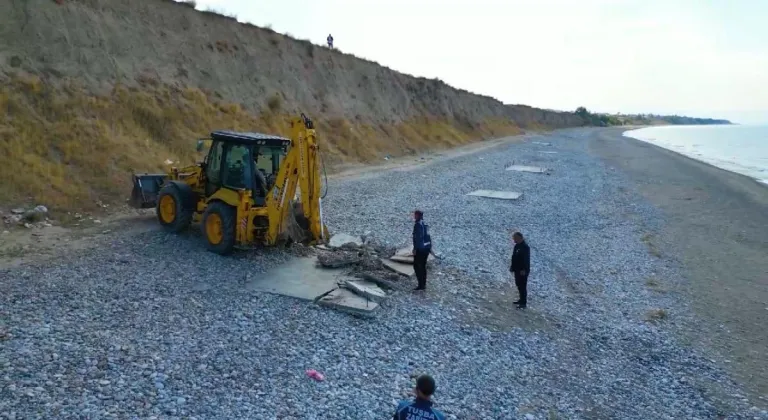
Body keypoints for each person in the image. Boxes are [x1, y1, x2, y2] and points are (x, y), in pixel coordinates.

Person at [411, 209, 432, 291]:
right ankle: (423, 284)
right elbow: (428, 237)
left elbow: (418, 238)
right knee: (423, 266)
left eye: (415, 215)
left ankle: (420, 285)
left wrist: (415, 249)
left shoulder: (417, 225)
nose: (414, 216)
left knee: (417, 266)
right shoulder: (425, 224)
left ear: (418, 216)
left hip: (421, 249)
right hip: (426, 248)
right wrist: (430, 247)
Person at [509, 231, 530, 309]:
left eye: (515, 238)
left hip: (523, 270)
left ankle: (523, 303)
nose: (514, 240)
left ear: (520, 238)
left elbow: (526, 260)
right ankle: (521, 300)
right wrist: (512, 266)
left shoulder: (525, 247)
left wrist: (524, 269)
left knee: (522, 286)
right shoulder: (517, 246)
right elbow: (514, 257)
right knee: (518, 284)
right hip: (517, 269)